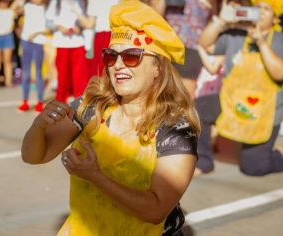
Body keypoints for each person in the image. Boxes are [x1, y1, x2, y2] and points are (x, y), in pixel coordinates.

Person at [21, 0, 200, 235]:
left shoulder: (175, 127)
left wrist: (95, 176)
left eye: (132, 56)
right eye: (110, 56)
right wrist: (38, 126)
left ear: (157, 67)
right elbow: (35, 156)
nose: (117, 65)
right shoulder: (92, 107)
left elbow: (156, 209)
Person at [195, 0, 283, 176]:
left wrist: (261, 43)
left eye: (266, 9)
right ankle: (204, 161)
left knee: (253, 168)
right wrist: (220, 21)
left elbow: (279, 73)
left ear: (275, 17)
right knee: (198, 108)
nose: (261, 12)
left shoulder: (280, 40)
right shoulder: (234, 35)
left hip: (264, 113)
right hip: (231, 103)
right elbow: (205, 44)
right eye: (257, 8)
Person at [165, 0, 218, 98]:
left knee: (184, 97)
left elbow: (214, 21)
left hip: (191, 50)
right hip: (166, 47)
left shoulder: (211, 3)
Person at [16, 0, 51, 112]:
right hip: (26, 42)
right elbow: (14, 11)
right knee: (25, 73)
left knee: (38, 73)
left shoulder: (47, 8)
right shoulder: (27, 5)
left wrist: (36, 33)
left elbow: (50, 28)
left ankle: (39, 102)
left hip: (39, 42)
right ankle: (25, 101)